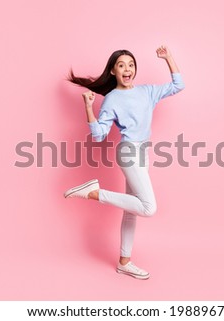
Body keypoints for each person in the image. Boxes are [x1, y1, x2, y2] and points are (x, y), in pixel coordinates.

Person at [64, 45, 185, 280]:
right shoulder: (111, 99)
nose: (127, 69)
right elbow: (99, 134)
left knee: (132, 212)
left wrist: (168, 58)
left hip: (142, 152)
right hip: (128, 152)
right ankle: (94, 193)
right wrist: (89, 108)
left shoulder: (148, 92)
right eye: (121, 65)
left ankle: (124, 262)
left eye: (131, 64)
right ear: (113, 71)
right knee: (149, 207)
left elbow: (178, 85)